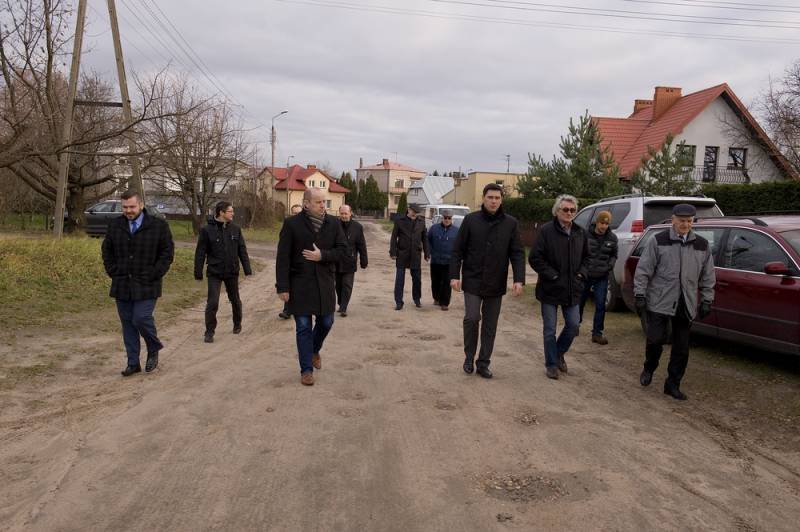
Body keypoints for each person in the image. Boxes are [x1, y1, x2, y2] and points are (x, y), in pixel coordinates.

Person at [634, 203, 715, 401]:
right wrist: (640, 294)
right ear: (673, 220)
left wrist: (707, 299)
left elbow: (708, 275)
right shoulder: (658, 241)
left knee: (681, 348)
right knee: (655, 341)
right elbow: (643, 270)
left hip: (685, 302)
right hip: (659, 300)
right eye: (681, 221)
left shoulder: (702, 245)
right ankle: (649, 367)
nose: (685, 224)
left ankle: (672, 384)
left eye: (689, 221)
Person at [450, 184, 525, 378]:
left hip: (496, 282)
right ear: (483, 198)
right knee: (472, 318)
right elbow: (457, 250)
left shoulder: (510, 223)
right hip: (473, 280)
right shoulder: (470, 220)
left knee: (490, 325)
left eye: (497, 198)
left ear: (501, 200)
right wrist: (454, 276)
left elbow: (517, 253)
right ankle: (469, 357)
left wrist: (519, 279)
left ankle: (483, 362)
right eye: (490, 197)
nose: (493, 201)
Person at [275, 188, 346, 386]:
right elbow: (282, 257)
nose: (323, 205)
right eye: (318, 202)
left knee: (327, 322)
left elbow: (343, 251)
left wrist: (322, 255)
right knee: (303, 327)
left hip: (324, 282)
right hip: (300, 284)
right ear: (306, 204)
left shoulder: (333, 223)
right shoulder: (292, 224)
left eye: (324, 202)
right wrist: (282, 287)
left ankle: (314, 349)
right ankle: (306, 370)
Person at [102, 190, 174, 376]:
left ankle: (153, 347)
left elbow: (167, 253)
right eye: (125, 207)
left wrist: (155, 273)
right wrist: (113, 271)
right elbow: (107, 251)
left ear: (141, 205)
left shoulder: (158, 226)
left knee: (141, 318)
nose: (128, 211)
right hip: (122, 283)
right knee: (128, 324)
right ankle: (133, 363)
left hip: (147, 283)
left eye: (132, 207)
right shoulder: (115, 225)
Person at [530, 194, 589, 380]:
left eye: (572, 210)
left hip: (572, 289)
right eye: (565, 209)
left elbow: (588, 258)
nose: (569, 213)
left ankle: (558, 353)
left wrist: (581, 274)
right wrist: (552, 275)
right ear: (557, 211)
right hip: (550, 289)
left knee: (573, 325)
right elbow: (535, 258)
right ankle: (551, 365)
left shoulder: (580, 232)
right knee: (549, 330)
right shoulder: (546, 231)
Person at [194, 201, 252, 343]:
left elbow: (242, 250)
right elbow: (200, 252)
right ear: (221, 212)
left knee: (235, 300)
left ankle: (237, 323)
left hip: (232, 271)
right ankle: (209, 332)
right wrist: (198, 272)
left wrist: (247, 270)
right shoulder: (207, 230)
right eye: (230, 211)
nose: (233, 213)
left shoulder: (236, 229)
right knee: (212, 302)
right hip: (214, 271)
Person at [578, 210, 618, 345]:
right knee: (580, 302)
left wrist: (609, 266)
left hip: (602, 276)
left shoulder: (612, 238)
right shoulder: (585, 235)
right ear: (597, 222)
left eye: (606, 224)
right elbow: (578, 252)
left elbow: (614, 255)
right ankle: (575, 325)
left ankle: (597, 333)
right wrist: (580, 270)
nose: (604, 226)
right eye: (602, 223)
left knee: (601, 305)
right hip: (585, 275)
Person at [390, 204, 429, 310]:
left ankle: (417, 299)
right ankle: (399, 302)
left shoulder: (421, 222)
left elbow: (425, 239)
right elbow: (394, 237)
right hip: (402, 254)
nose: (414, 214)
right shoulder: (399, 221)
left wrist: (427, 253)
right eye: (413, 211)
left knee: (417, 279)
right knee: (399, 279)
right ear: (408, 210)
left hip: (416, 254)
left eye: (416, 212)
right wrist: (393, 252)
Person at [335, 204, 368, 317]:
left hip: (350, 260)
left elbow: (361, 245)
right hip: (336, 260)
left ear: (350, 213)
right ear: (339, 214)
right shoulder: (335, 225)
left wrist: (364, 260)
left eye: (346, 213)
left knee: (347, 285)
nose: (344, 216)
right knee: (338, 285)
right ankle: (341, 303)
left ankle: (344, 307)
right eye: (342, 214)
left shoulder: (357, 227)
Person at [428, 209, 457, 311]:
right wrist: (430, 252)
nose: (447, 220)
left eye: (449, 218)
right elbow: (427, 240)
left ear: (451, 219)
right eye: (445, 218)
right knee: (435, 281)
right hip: (436, 261)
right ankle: (436, 298)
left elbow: (459, 245)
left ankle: (444, 303)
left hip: (449, 262)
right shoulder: (434, 228)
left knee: (446, 283)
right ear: (442, 218)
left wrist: (457, 257)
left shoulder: (456, 231)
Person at [279, 204, 303, 320]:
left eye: (299, 213)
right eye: (294, 213)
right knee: (288, 286)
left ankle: (298, 308)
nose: (296, 215)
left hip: (302, 263)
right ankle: (287, 311)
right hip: (290, 262)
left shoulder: (306, 226)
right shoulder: (288, 225)